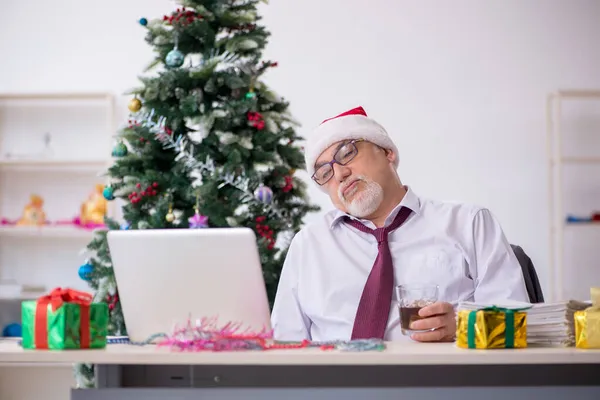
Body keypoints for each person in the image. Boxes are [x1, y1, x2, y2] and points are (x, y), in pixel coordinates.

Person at [270, 106, 529, 343]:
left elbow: (519, 321)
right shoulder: (308, 245)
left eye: (347, 153)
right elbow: (285, 345)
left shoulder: (469, 224)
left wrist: (464, 325)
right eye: (324, 173)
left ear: (388, 153)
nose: (339, 174)